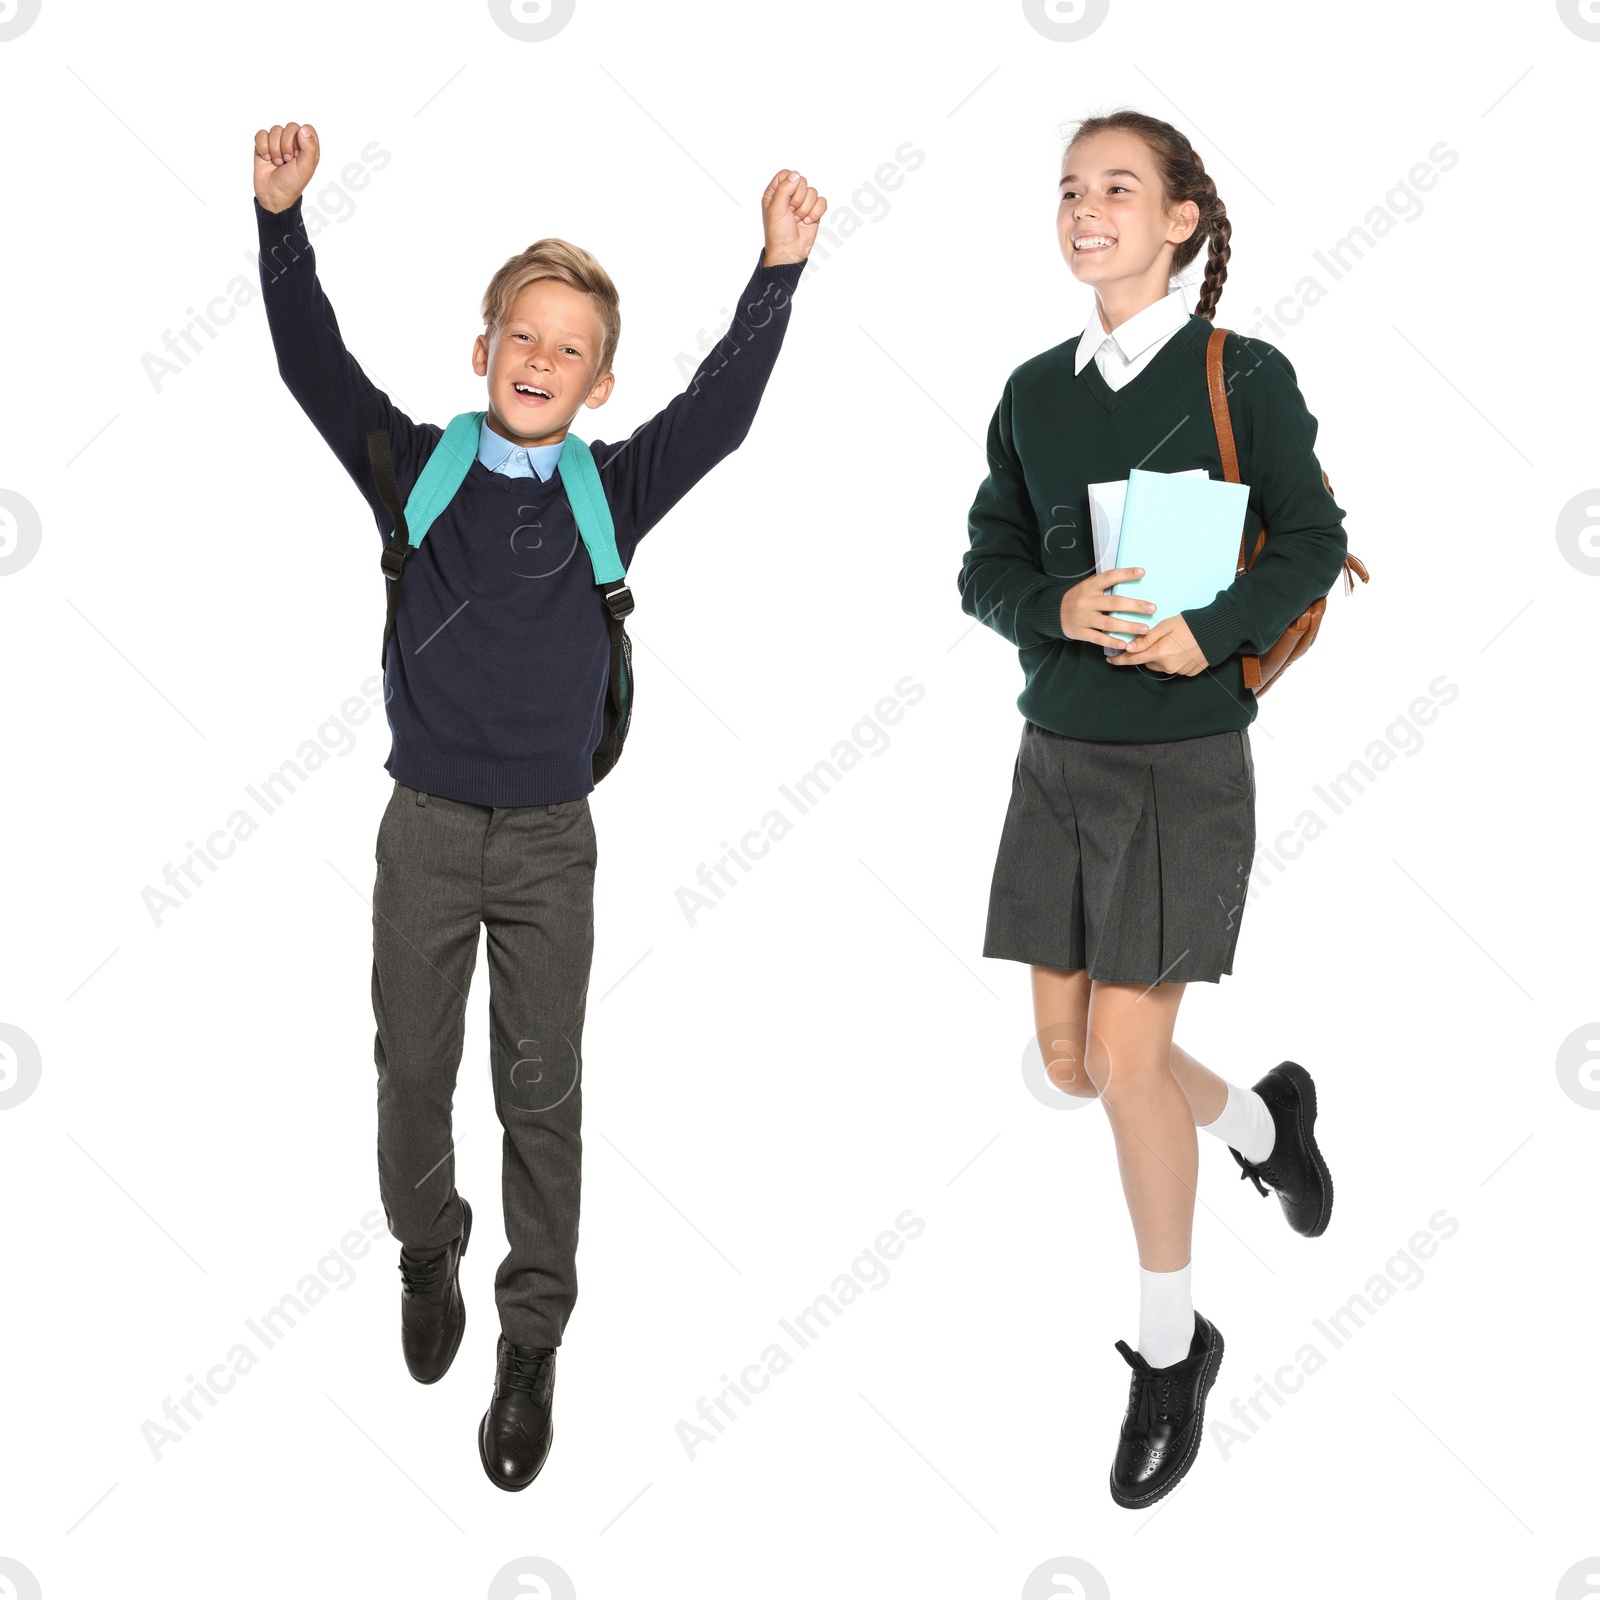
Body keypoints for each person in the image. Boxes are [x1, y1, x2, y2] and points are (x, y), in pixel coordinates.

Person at [252, 119, 824, 1491]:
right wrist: (281, 224)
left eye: (569, 347)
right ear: (483, 347)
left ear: (598, 379)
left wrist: (779, 269)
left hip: (554, 842)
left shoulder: (610, 488)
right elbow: (311, 366)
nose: (539, 358)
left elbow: (722, 415)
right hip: (428, 829)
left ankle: (530, 1340)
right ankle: (428, 1242)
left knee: (542, 1091)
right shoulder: (417, 469)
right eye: (522, 332)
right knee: (409, 1079)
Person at [957, 109, 1345, 1509]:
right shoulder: (1031, 393)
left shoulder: (1246, 373)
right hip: (1056, 755)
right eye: (1069, 187)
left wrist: (1215, 629)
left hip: (1184, 758)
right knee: (1074, 1064)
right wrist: (1051, 601)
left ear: (1181, 220)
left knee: (1125, 1063)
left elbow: (1314, 537)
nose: (1086, 207)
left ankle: (1171, 1350)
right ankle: (1261, 1125)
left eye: (1119, 186)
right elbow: (983, 564)